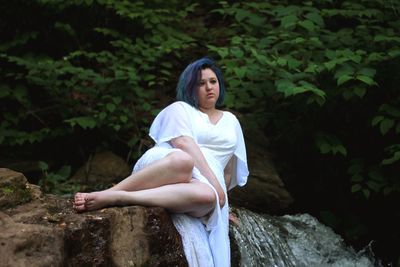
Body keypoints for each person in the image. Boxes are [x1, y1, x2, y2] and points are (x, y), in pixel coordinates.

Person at [73, 57, 249, 267]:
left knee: (208, 196)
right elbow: (184, 144)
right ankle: (111, 194)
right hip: (168, 166)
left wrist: (223, 202)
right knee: (185, 162)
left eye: (213, 81)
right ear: (190, 88)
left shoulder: (231, 121)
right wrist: (216, 184)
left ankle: (123, 196)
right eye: (201, 83)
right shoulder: (181, 109)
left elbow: (228, 169)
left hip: (203, 183)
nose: (209, 88)